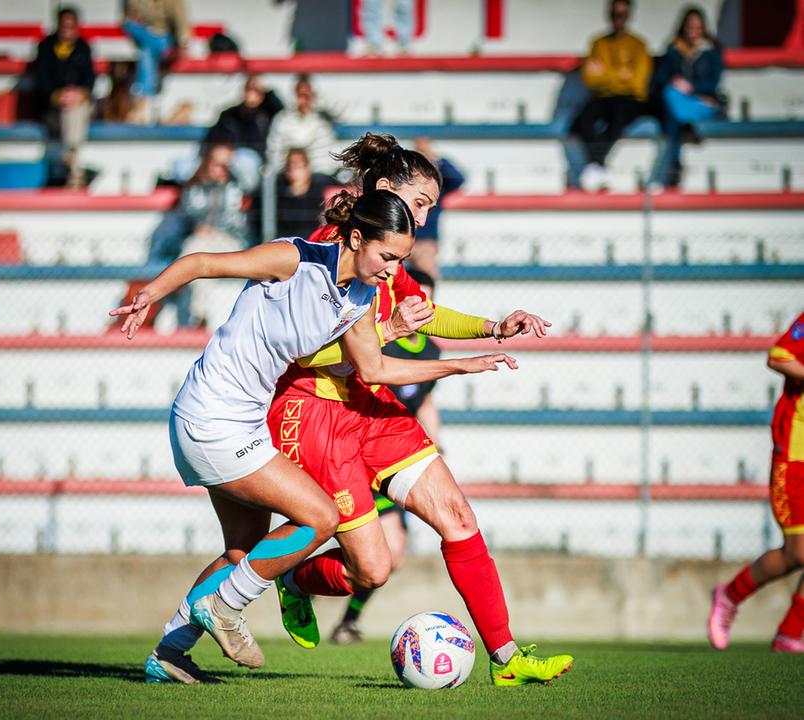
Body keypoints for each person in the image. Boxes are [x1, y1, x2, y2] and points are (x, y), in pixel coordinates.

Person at [143, 134, 573, 687]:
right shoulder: (334, 251)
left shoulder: (385, 252)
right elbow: (303, 350)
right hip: (315, 411)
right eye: (420, 203)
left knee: (458, 518)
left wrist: (491, 327)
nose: (420, 221)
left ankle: (507, 657)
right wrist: (429, 352)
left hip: (369, 401)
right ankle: (282, 583)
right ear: (386, 191)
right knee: (365, 566)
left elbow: (423, 313)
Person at [330, 268, 441, 645]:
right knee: (367, 548)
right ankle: (295, 578)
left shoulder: (431, 349)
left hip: (392, 452)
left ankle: (347, 621)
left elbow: (423, 399)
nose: (416, 306)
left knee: (391, 555)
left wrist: (434, 447)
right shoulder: (377, 337)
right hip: (356, 448)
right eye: (410, 297)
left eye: (423, 300)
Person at [708, 311, 804, 654]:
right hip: (795, 454)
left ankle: (790, 635)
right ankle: (730, 595)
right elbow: (779, 356)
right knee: (799, 552)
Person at [142, 142, 248, 328]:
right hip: (202, 240)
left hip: (229, 241)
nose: (220, 169)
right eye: (216, 163)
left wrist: (210, 226)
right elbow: (190, 213)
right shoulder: (195, 187)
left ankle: (176, 284)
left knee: (196, 252)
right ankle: (199, 314)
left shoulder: (234, 187)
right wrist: (203, 225)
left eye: (224, 165)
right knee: (197, 251)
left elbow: (234, 220)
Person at [572, 0, 652, 192]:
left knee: (618, 117)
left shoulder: (638, 46)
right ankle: (599, 165)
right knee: (581, 120)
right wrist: (621, 74)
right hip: (603, 97)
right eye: (615, 15)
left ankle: (597, 164)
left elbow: (637, 84)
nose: (619, 20)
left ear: (629, 17)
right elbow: (590, 78)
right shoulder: (598, 43)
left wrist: (606, 74)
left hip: (629, 100)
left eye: (622, 15)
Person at [653, 7, 725, 188]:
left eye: (697, 28)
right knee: (670, 96)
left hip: (703, 102)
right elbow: (660, 80)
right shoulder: (673, 51)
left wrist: (691, 89)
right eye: (690, 27)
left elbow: (713, 84)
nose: (693, 32)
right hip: (678, 103)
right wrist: (676, 83)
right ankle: (686, 128)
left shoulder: (711, 53)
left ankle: (674, 164)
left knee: (672, 115)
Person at [32, 6, 95, 189]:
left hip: (79, 103)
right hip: (53, 105)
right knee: (70, 109)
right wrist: (58, 96)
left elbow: (89, 81)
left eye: (71, 27)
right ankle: (74, 165)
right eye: (64, 26)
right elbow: (42, 81)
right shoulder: (45, 47)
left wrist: (79, 94)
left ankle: (71, 159)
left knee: (74, 109)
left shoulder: (84, 48)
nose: (67, 31)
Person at [122, 0, 190, 124]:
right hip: (145, 36)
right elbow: (129, 20)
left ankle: (142, 103)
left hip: (165, 37)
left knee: (146, 51)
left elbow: (181, 21)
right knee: (145, 51)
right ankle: (148, 104)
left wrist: (182, 44)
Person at [205, 75, 284, 178]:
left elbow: (282, 112)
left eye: (257, 91)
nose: (252, 94)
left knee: (242, 160)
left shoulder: (267, 114)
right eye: (249, 89)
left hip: (256, 165)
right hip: (226, 162)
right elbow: (214, 140)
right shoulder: (228, 115)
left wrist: (266, 91)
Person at [408, 138, 464, 279]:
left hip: (425, 239)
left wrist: (436, 158)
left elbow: (458, 179)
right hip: (401, 235)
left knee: (426, 279)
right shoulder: (408, 179)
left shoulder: (437, 183)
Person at [267, 75, 337, 175]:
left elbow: (328, 155)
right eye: (300, 95)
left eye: (307, 95)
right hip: (289, 175)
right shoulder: (282, 120)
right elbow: (275, 151)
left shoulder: (323, 118)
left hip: (320, 174)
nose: (304, 100)